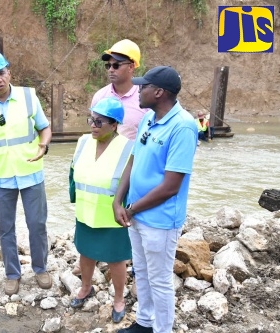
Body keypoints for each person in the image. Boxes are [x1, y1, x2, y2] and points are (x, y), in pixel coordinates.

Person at [113, 66, 198, 333]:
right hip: (136, 214)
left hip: (159, 220)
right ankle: (144, 322)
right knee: (142, 272)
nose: (138, 90)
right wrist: (119, 201)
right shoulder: (148, 119)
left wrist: (132, 209)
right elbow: (133, 160)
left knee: (160, 280)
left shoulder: (183, 126)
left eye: (144, 86)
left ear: (159, 92)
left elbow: (171, 186)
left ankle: (162, 330)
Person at [0, 51, 53, 296]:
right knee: (6, 228)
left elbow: (44, 128)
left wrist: (43, 145)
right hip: (0, 175)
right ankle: (12, 274)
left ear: (9, 72)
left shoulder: (29, 97)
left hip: (31, 169)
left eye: (1, 73)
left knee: (36, 224)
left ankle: (40, 268)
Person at [74, 39, 147, 288]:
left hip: (134, 172)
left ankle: (134, 266)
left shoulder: (144, 98)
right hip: (104, 175)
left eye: (117, 64)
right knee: (100, 224)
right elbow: (95, 135)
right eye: (108, 65)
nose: (111, 69)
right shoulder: (100, 96)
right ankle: (89, 277)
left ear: (132, 67)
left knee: (128, 226)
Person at [69, 97, 134, 324]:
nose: (93, 126)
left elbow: (131, 183)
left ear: (114, 124)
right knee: (85, 253)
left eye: (99, 122)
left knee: (116, 259)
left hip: (112, 215)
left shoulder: (128, 147)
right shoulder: (83, 142)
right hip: (85, 211)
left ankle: (118, 299)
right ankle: (86, 288)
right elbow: (72, 171)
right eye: (91, 120)